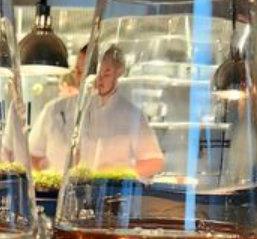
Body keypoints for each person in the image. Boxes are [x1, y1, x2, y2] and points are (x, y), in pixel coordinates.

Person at [73, 46, 164, 178]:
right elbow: (76, 155)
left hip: (116, 189)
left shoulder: (131, 114)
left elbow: (154, 162)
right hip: (83, 187)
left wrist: (117, 176)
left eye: (107, 73)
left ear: (119, 72)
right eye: (96, 74)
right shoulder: (84, 108)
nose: (100, 79)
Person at [27, 44, 88, 172]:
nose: (78, 77)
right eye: (76, 71)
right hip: (57, 183)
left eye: (83, 72)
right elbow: (33, 156)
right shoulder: (53, 109)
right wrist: (48, 179)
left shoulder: (120, 115)